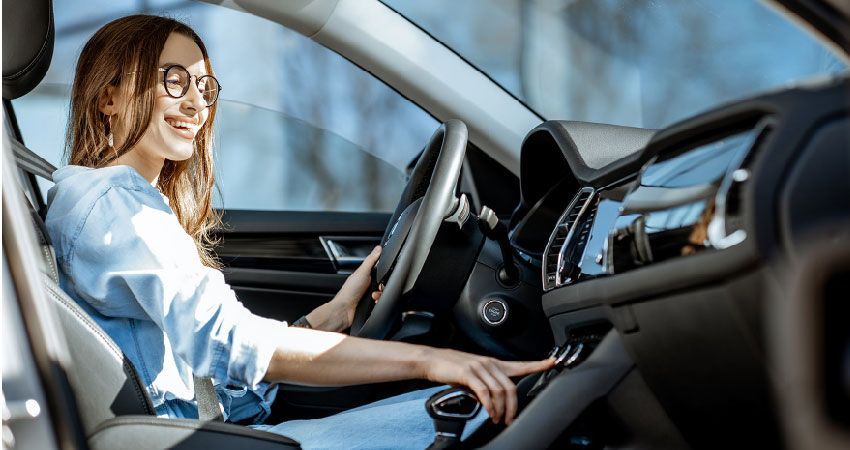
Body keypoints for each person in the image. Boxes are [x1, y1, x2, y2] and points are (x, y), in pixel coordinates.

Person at [44, 14, 553, 449]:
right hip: (196, 439)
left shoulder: (122, 203)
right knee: (505, 412)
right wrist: (430, 361)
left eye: (205, 87)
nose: (197, 104)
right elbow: (227, 342)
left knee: (484, 407)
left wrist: (328, 317)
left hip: (221, 429)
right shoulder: (116, 202)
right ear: (109, 98)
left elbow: (211, 378)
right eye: (174, 80)